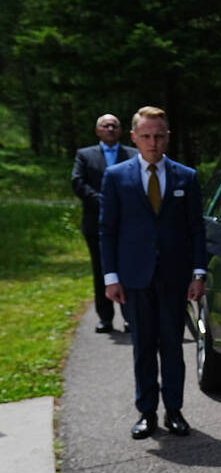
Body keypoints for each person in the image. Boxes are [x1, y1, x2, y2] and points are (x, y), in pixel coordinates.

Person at [99, 106, 207, 440]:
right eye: (146, 136)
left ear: (168, 136)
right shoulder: (116, 177)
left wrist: (198, 273)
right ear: (134, 137)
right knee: (143, 346)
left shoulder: (185, 177)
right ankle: (146, 412)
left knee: (173, 345)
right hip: (134, 277)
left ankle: (173, 409)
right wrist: (111, 278)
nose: (153, 142)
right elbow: (108, 231)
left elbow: (196, 230)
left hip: (174, 277)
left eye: (159, 135)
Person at [72, 113, 136, 333]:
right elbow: (78, 182)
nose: (110, 128)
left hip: (127, 223)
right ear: (98, 130)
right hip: (95, 224)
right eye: (105, 126)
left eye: (114, 125)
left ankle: (130, 316)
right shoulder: (85, 155)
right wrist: (102, 201)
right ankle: (105, 318)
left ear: (120, 131)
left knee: (128, 268)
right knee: (101, 271)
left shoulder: (133, 154)